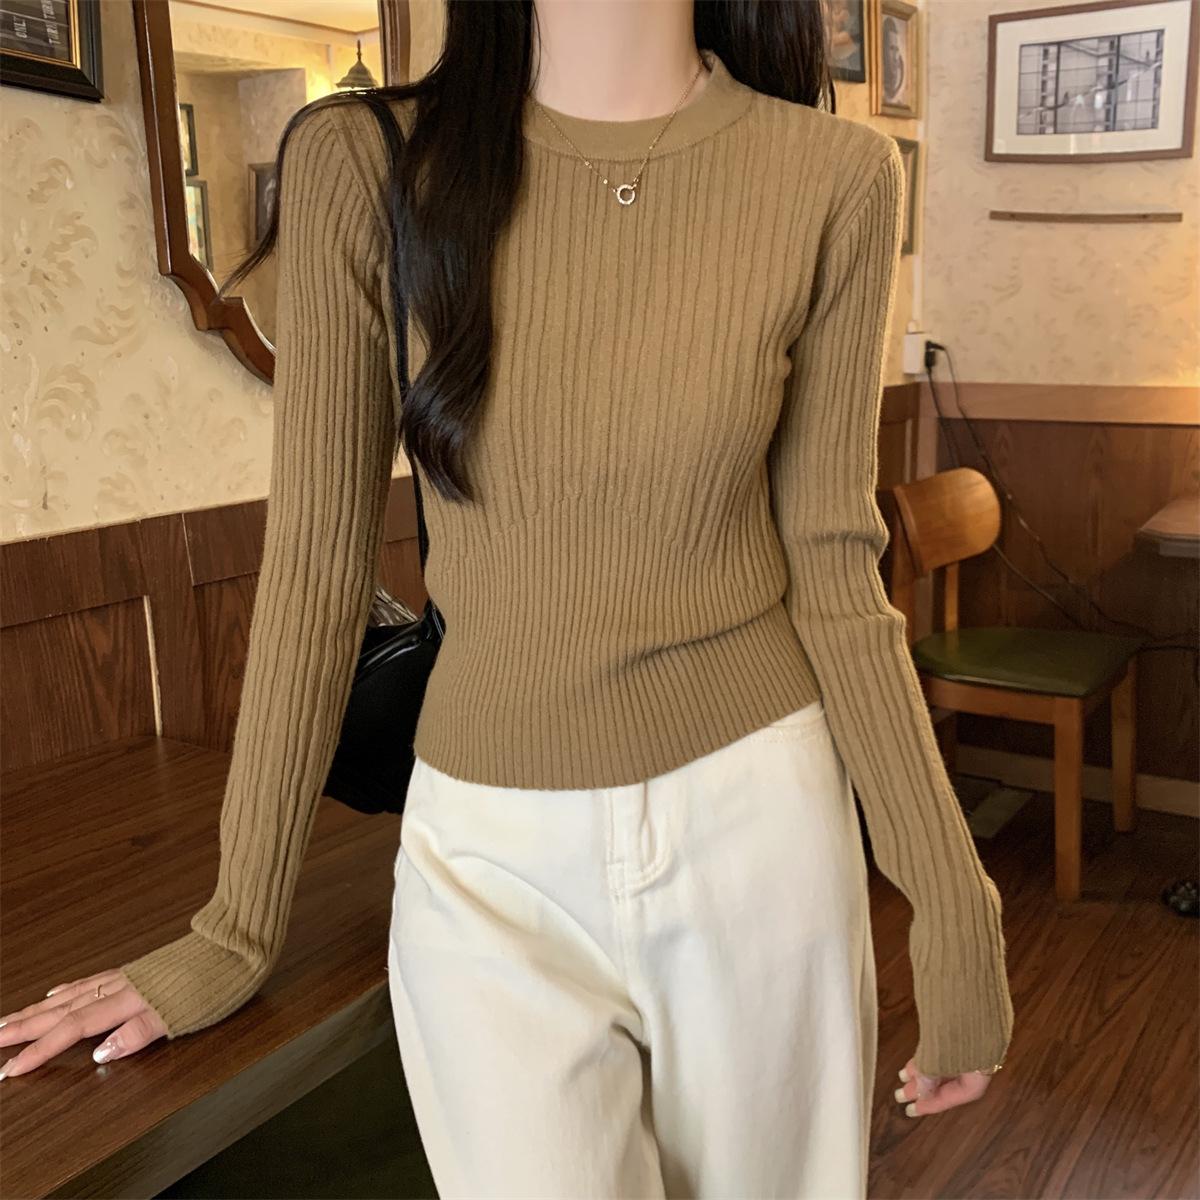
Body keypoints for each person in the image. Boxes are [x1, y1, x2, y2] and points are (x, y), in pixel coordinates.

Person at [0, 2, 1013, 1196]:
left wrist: (954, 904)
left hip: (763, 828)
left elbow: (836, 564)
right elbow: (318, 570)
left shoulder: (833, 174)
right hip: (486, 861)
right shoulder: (364, 162)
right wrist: (232, 934)